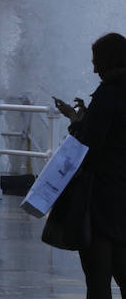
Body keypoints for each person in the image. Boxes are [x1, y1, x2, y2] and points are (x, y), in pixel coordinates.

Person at [54, 32, 126, 299]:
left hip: (101, 200)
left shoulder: (108, 94)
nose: (94, 68)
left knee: (98, 279)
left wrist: (76, 121)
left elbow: (90, 144)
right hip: (122, 198)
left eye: (96, 61)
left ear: (108, 60)